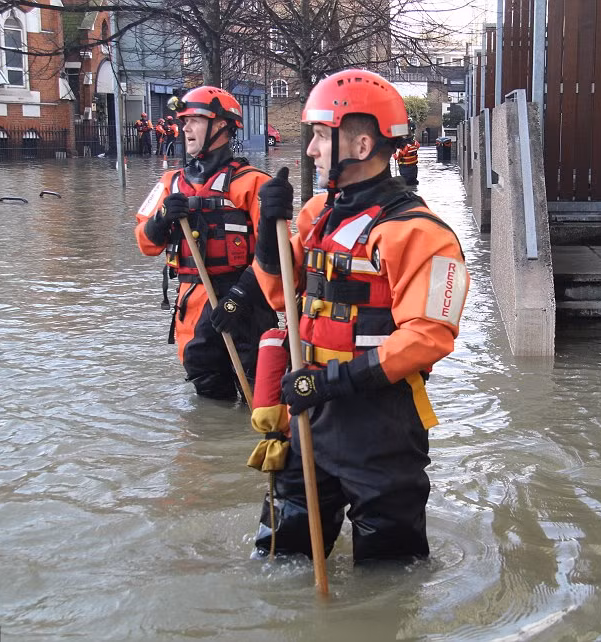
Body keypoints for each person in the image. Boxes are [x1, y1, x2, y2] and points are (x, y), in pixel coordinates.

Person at [249, 69, 471, 563]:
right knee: (281, 558)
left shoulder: (423, 235)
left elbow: (429, 337)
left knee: (389, 573)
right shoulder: (316, 215)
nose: (309, 150)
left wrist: (333, 382)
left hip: (381, 425)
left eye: (321, 137)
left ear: (362, 143)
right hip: (310, 414)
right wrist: (267, 228)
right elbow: (280, 296)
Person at [133, 86, 278, 400]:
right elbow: (145, 243)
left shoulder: (255, 183)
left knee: (261, 394)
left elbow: (275, 254)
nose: (185, 128)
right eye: (184, 120)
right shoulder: (170, 184)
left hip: (247, 302)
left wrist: (238, 297)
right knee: (209, 394)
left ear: (223, 127)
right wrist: (161, 219)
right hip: (194, 304)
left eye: (195, 120)